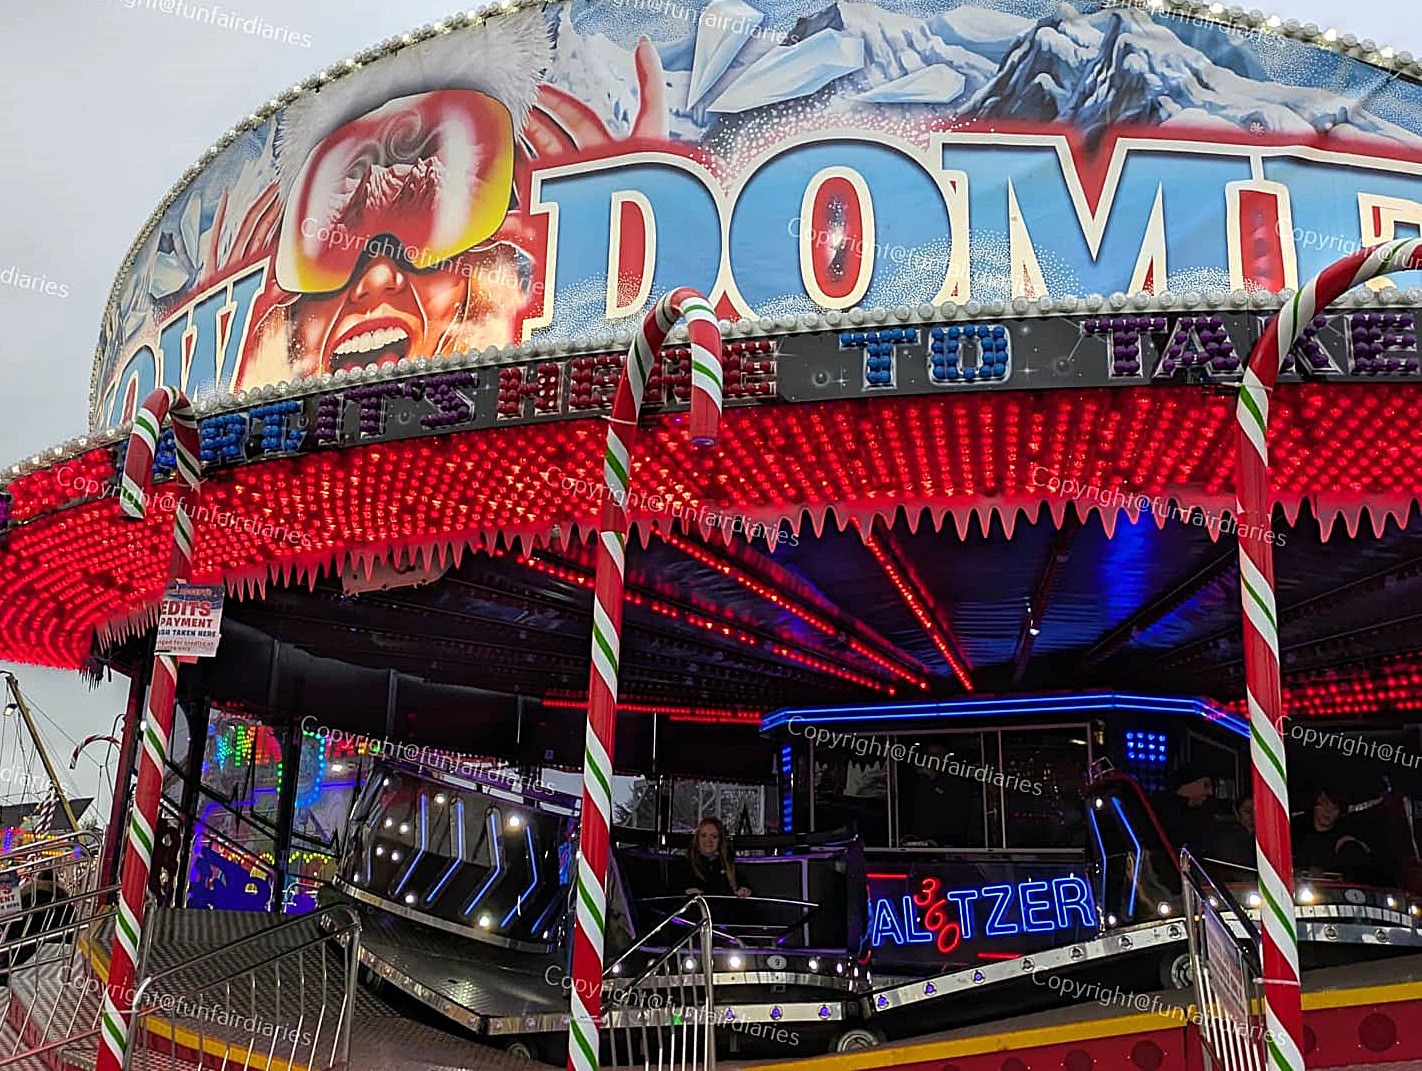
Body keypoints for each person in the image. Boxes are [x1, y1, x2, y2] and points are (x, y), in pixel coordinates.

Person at [1292, 787, 1374, 879]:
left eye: (1335, 807)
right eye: (1324, 803)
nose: (1328, 811)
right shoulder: (1295, 830)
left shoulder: (1346, 838)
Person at [676, 817, 750, 899]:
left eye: (714, 836)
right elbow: (674, 892)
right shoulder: (684, 865)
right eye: (704, 835)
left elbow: (744, 887)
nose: (708, 840)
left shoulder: (729, 865)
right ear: (697, 839)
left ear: (720, 840)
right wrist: (687, 892)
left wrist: (744, 891)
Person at [1154, 763, 1218, 856]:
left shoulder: (1205, 815)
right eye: (1206, 785)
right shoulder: (1161, 810)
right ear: (1188, 783)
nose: (1210, 792)